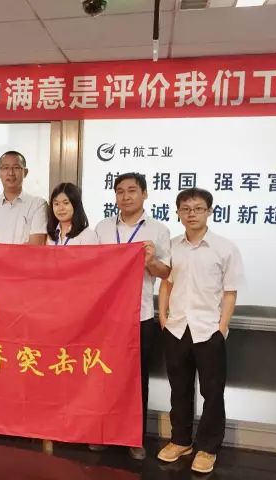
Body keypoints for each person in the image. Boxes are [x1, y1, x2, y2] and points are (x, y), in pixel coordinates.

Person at [157, 188, 243, 474]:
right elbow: (166, 283)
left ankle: (207, 447)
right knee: (179, 389)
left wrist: (222, 327)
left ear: (209, 211)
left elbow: (230, 291)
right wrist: (163, 316)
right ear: (178, 213)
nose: (191, 213)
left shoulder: (225, 248)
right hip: (177, 327)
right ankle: (180, 440)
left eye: (198, 208)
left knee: (212, 392)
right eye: (185, 209)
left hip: (208, 330)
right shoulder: (172, 246)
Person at [93, 172, 171, 459]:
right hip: (105, 316)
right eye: (120, 191)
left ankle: (134, 438)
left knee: (137, 379)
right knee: (102, 375)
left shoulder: (158, 230)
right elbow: (90, 266)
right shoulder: (102, 228)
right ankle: (102, 432)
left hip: (140, 315)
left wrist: (150, 260)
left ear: (144, 194)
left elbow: (166, 272)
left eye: (132, 190)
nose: (125, 196)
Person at [0, 151, 46, 245]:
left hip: (23, 257)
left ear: (25, 172)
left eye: (16, 167)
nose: (11, 173)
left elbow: (35, 245)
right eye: (5, 168)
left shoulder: (37, 204)